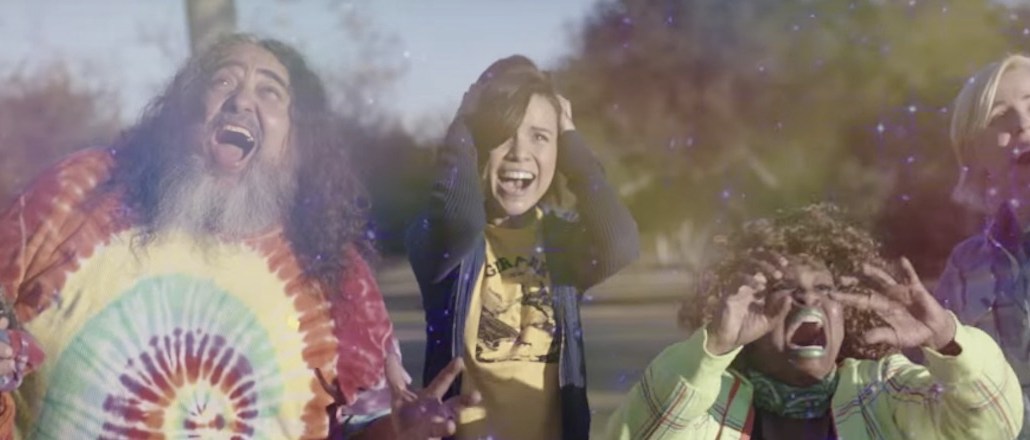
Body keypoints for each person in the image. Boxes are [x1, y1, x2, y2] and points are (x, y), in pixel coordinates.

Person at [0, 34, 471, 439]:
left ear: (297, 139)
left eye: (270, 91)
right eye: (223, 81)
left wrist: (398, 430)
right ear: (183, 112)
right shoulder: (83, 191)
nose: (242, 101)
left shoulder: (338, 274)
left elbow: (359, 425)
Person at [605, 204, 1023, 439]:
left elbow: (994, 426)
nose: (808, 298)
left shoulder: (881, 389)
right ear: (748, 311)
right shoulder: (707, 401)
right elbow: (640, 432)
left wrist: (947, 338)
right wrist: (713, 346)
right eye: (784, 289)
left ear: (846, 313)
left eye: (825, 288)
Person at [406, 55, 639, 439]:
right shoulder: (439, 242)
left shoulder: (562, 244)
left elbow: (621, 242)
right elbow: (461, 218)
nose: (519, 152)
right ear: (478, 146)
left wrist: (571, 139)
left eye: (540, 136)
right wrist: (464, 121)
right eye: (503, 135)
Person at [937, 54, 1030, 439]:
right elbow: (942, 391)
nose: (1022, 122)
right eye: (1000, 116)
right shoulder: (965, 265)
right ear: (975, 155)